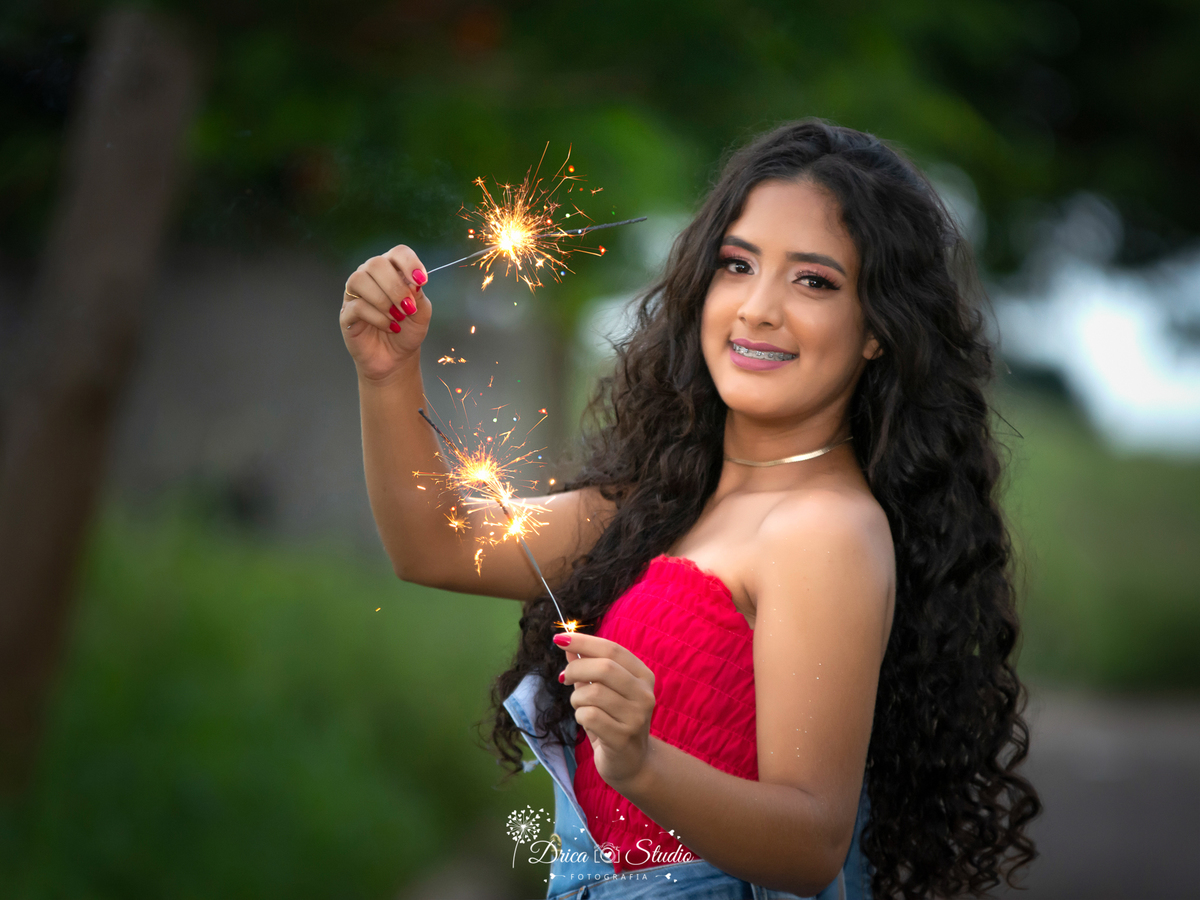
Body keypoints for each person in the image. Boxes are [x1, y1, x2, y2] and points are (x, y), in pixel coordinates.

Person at [340, 119, 1041, 900]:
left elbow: (811, 843)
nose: (759, 309)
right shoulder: (665, 505)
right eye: (738, 265)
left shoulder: (824, 529)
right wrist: (388, 373)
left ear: (878, 327)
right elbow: (436, 545)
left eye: (813, 281)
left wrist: (643, 764)